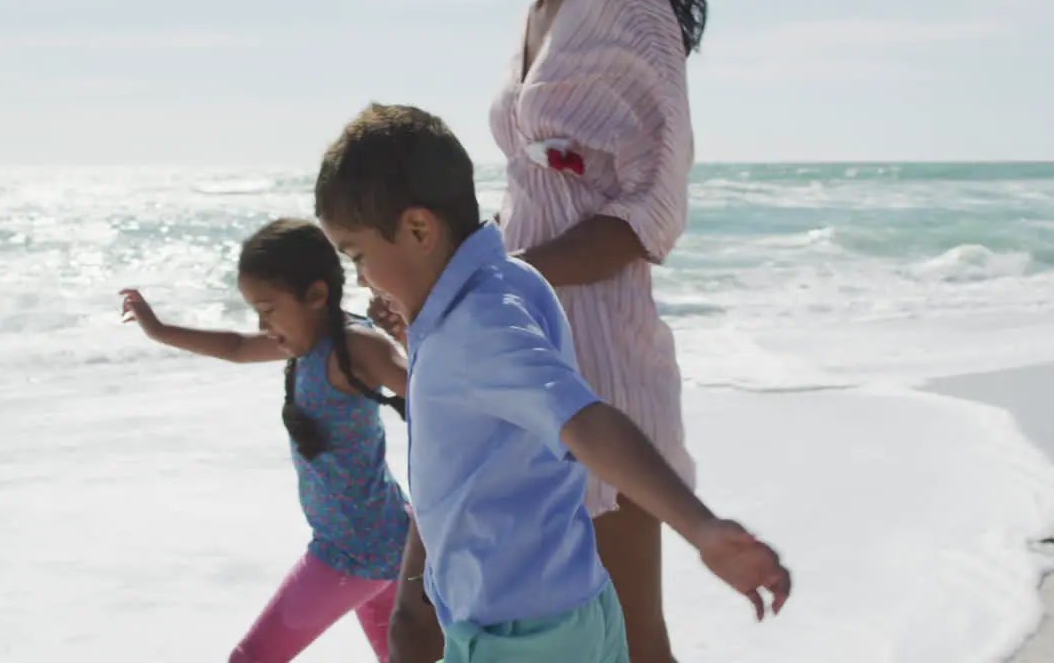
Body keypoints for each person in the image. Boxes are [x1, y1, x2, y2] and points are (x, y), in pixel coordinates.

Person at [320, 103, 789, 663]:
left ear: (419, 229)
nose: (360, 277)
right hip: (577, 608)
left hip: (518, 636)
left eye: (359, 256)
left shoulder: (475, 329)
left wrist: (702, 529)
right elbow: (490, 404)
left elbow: (584, 419)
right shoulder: (510, 283)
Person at [365, 0, 714, 659]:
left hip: (596, 369)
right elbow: (537, 199)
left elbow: (654, 206)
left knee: (634, 643)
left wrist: (492, 284)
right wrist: (440, 290)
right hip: (517, 359)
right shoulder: (541, 9)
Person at [119, 218, 442, 663]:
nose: (262, 323)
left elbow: (434, 389)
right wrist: (158, 329)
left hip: (352, 553)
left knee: (251, 659)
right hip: (380, 542)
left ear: (315, 295)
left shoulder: (354, 346)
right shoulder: (303, 345)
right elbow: (235, 346)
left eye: (268, 309)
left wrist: (412, 331)